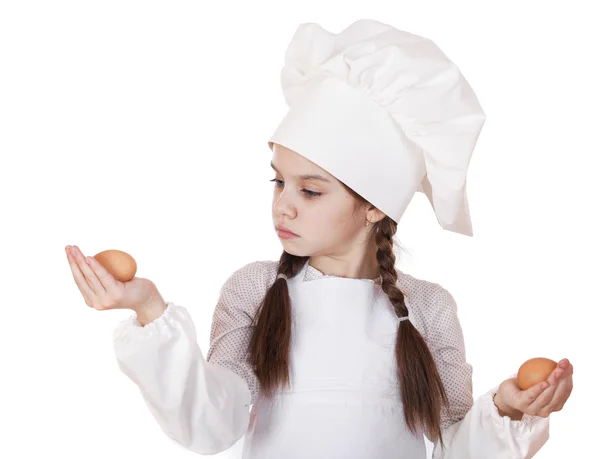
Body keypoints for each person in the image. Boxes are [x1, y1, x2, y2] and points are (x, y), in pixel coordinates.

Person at [66, 19, 571, 459]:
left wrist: (506, 409)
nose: (283, 204)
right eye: (278, 181)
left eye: (310, 190)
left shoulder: (429, 309)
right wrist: (151, 310)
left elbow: (455, 446)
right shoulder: (255, 290)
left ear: (375, 206)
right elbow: (211, 425)